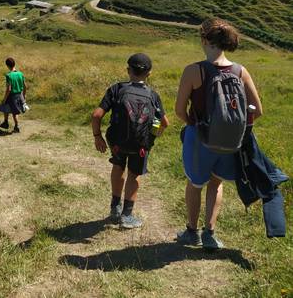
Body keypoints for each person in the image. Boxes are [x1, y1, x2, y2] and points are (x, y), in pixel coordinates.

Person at [174, 18, 263, 250]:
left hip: (199, 138)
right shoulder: (240, 71)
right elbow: (258, 110)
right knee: (216, 183)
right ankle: (210, 235)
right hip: (229, 140)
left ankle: (191, 232)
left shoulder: (193, 71)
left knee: (195, 184)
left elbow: (179, 110)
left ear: (204, 40)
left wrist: (194, 126)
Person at [91, 53, 169, 229]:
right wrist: (153, 136)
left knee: (118, 167)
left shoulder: (117, 89)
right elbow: (165, 123)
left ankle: (114, 208)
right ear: (149, 73)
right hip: (141, 145)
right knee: (134, 174)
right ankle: (127, 216)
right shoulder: (153, 95)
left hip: (117, 142)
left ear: (128, 70)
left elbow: (96, 115)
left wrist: (98, 137)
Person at [0, 57, 27, 133]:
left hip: (12, 96)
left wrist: (4, 99)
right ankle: (8, 123)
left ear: (7, 65)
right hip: (19, 95)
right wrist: (24, 96)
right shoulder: (20, 74)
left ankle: (13, 125)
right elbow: (25, 86)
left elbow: (9, 89)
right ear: (14, 64)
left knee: (8, 109)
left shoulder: (9, 75)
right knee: (12, 110)